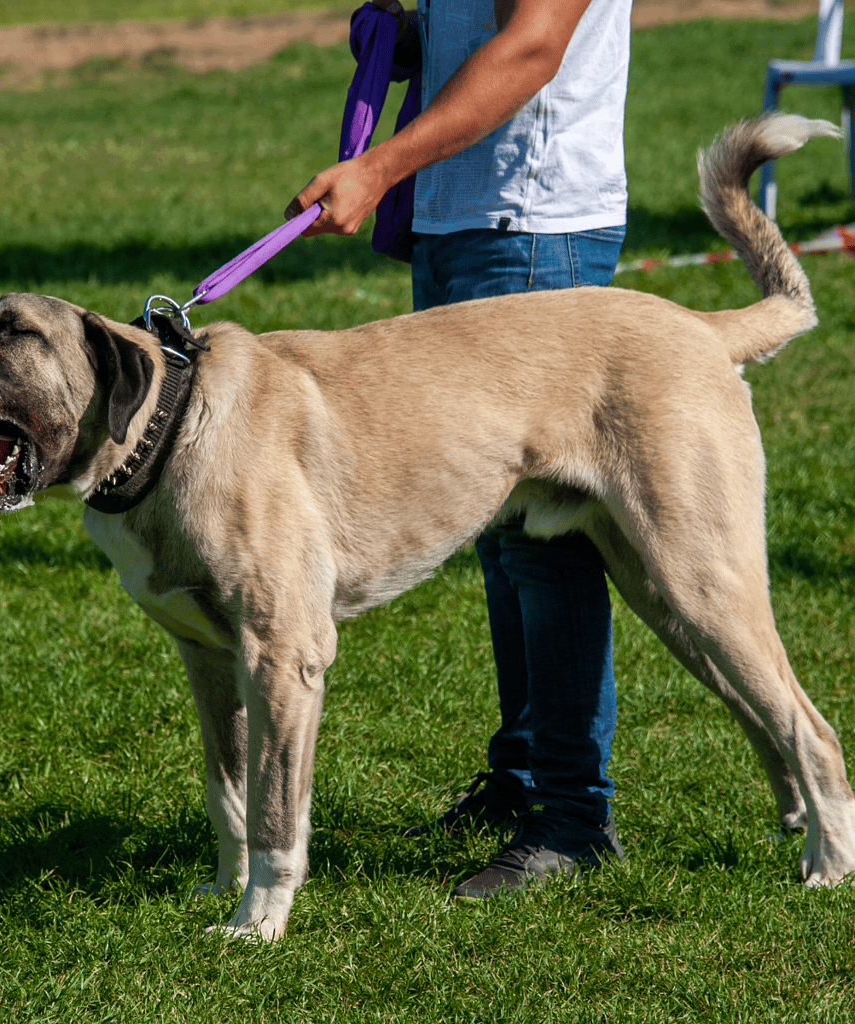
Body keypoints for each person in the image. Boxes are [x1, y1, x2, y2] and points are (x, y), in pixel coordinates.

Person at [286, 0, 632, 897]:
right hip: (461, 224)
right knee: (499, 526)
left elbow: (530, 49)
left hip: (531, 229)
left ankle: (573, 819)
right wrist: (410, 40)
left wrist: (376, 167)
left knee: (544, 544)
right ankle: (524, 781)